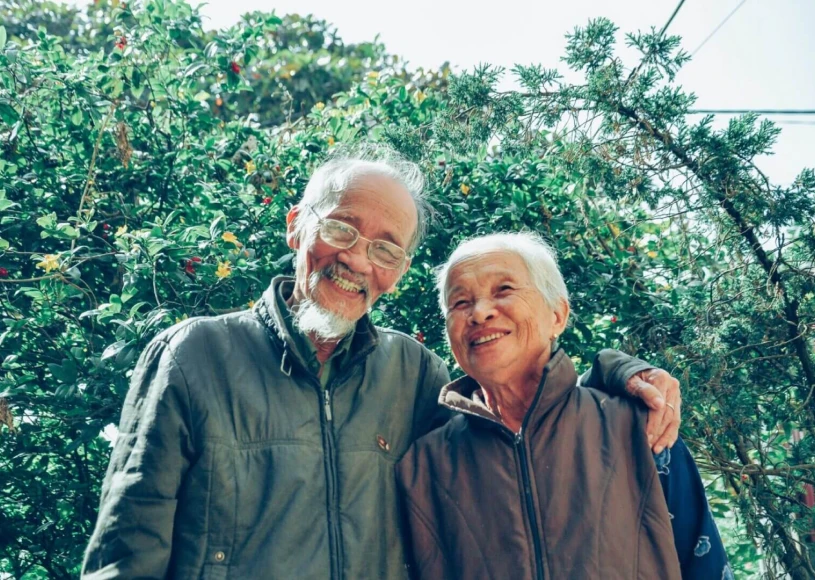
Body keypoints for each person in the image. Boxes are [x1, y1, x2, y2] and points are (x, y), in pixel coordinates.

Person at [82, 146, 682, 579]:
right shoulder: (194, 356)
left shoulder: (413, 373)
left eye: (386, 248)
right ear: (297, 228)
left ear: (399, 270)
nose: (357, 260)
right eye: (341, 229)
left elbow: (521, 419)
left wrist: (619, 375)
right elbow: (125, 554)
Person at [395, 232, 730, 580]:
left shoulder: (639, 427)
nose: (479, 313)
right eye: (460, 302)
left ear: (557, 315)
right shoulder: (423, 465)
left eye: (504, 290)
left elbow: (705, 563)